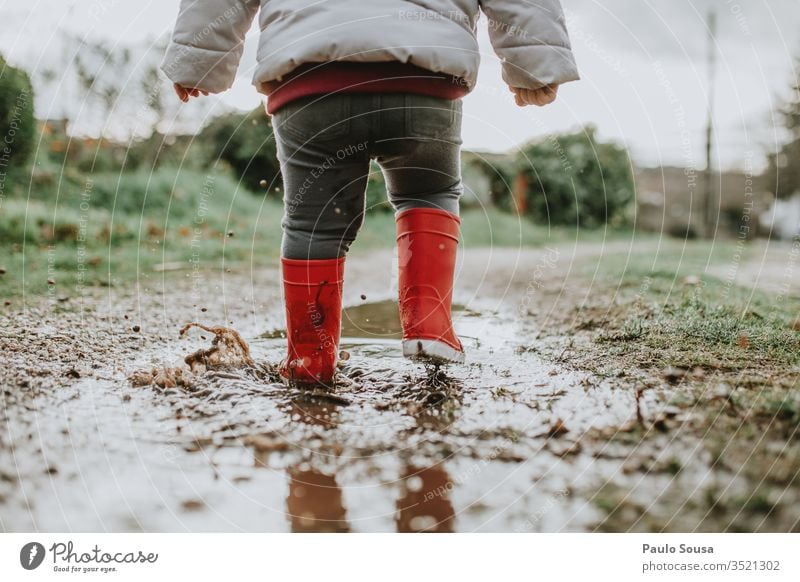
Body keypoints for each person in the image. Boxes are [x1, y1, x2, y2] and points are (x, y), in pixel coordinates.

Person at [162, 0, 579, 386]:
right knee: (430, 190)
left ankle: (310, 357)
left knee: (313, 220)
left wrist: (197, 60)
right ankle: (430, 328)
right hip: (425, 76)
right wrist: (535, 62)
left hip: (309, 77)